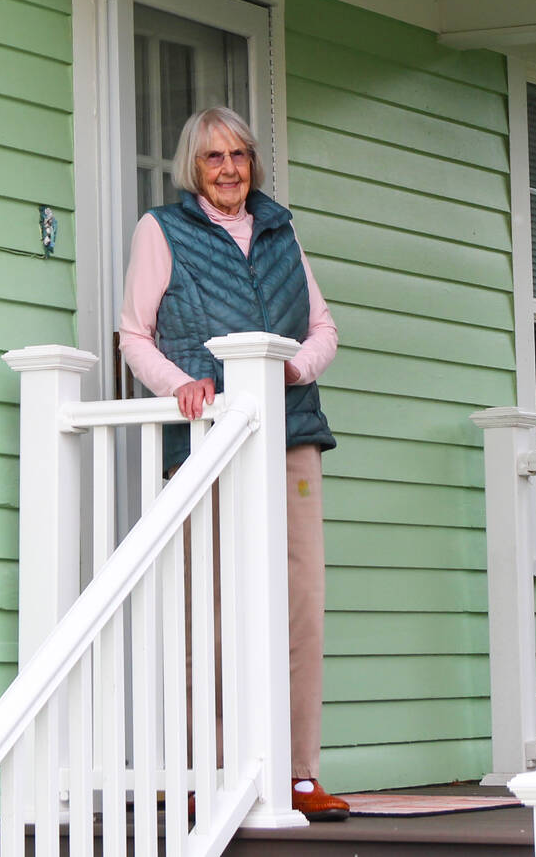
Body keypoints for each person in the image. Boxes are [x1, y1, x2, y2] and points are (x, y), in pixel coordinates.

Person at [119, 106, 347, 822]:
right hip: (206, 441)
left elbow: (323, 327)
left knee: (299, 605)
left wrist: (292, 370)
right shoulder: (163, 230)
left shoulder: (282, 230)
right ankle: (204, 770)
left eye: (240, 155)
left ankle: (298, 771)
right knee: (207, 613)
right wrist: (177, 385)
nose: (228, 169)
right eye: (214, 157)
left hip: (290, 436)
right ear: (195, 166)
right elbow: (134, 333)